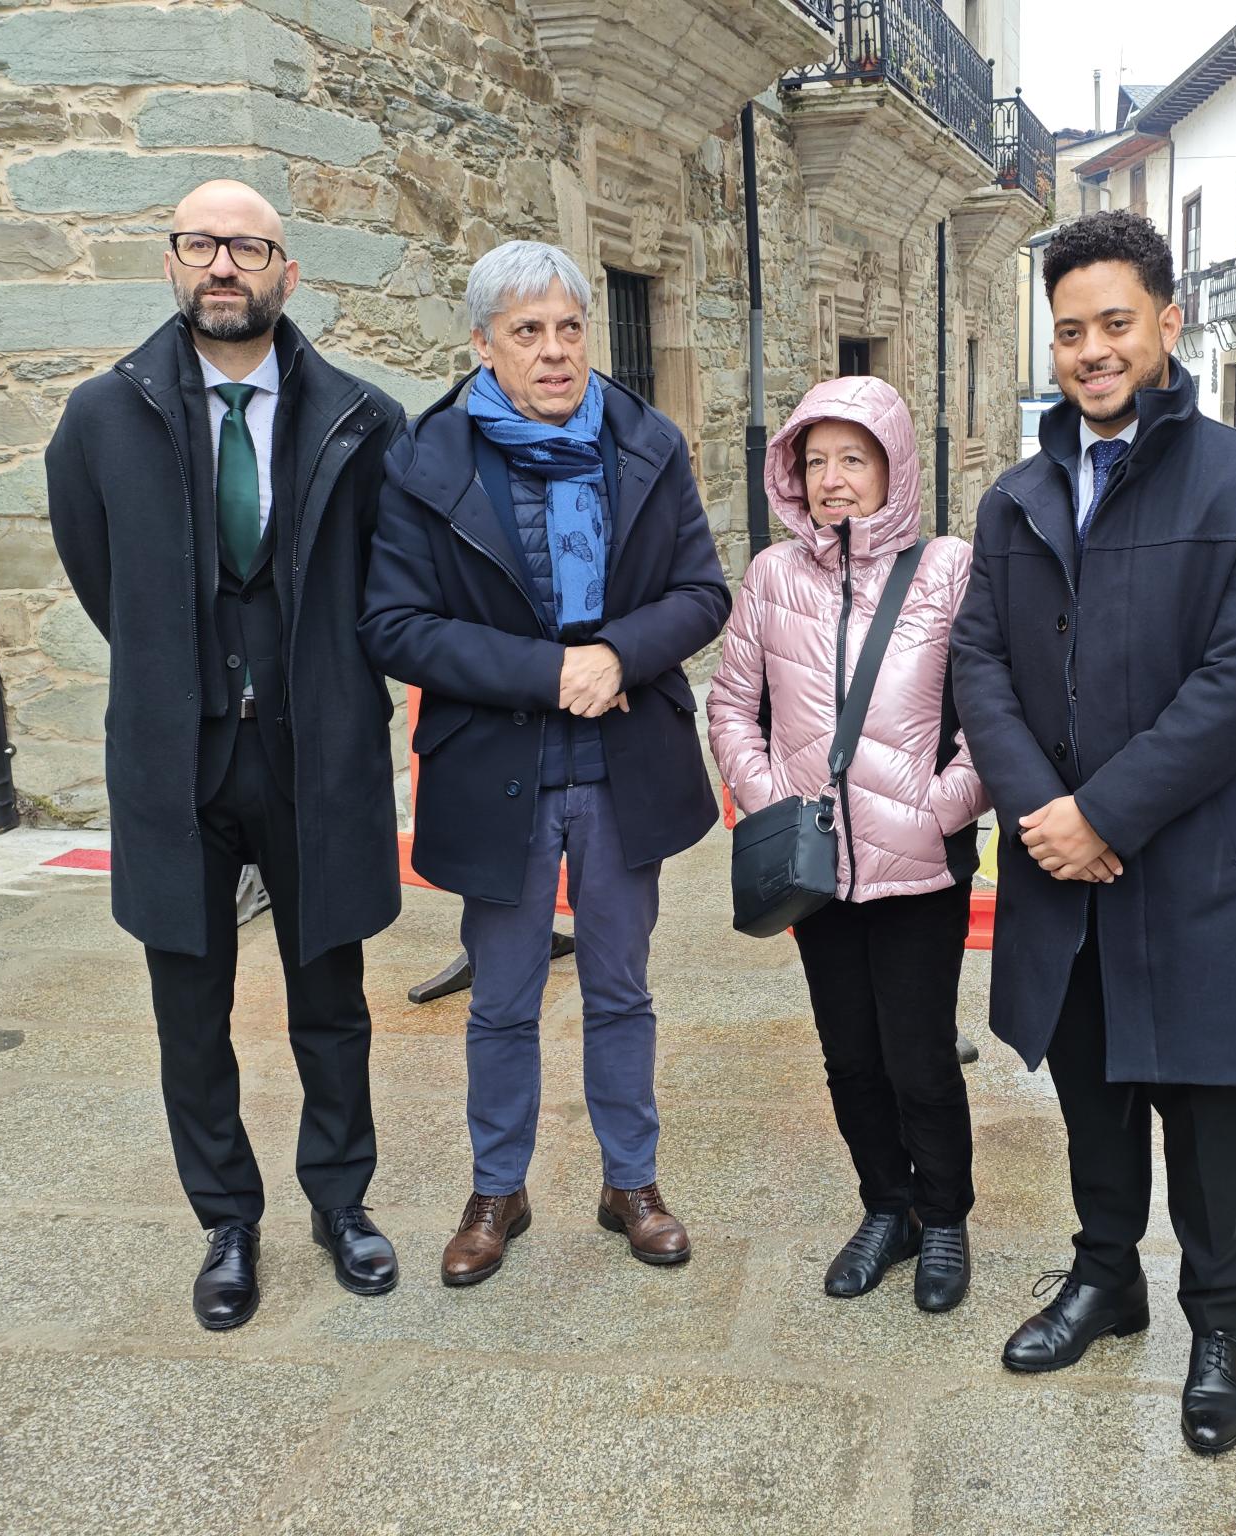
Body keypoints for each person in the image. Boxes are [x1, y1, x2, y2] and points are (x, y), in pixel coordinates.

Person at [951, 210, 1236, 1455]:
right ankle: (1104, 1277)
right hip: (1065, 865)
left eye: (1114, 323)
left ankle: (1219, 1325)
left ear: (1167, 322)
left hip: (1191, 861)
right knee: (1090, 1092)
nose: (1092, 350)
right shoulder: (1013, 500)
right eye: (1070, 331)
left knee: (1202, 1113)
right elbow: (978, 663)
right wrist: (1042, 817)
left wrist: (1102, 814)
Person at [45, 180, 407, 1331]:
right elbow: (101, 574)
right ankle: (225, 1219)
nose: (222, 266)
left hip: (317, 753)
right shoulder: (103, 418)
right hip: (175, 758)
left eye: (247, 247)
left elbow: (382, 582)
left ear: (285, 273)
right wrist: (182, 676)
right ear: (171, 261)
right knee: (188, 1006)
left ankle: (340, 1203)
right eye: (200, 243)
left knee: (329, 995)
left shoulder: (360, 418)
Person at [360, 240, 729, 1285]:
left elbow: (702, 593)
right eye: (528, 332)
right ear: (482, 345)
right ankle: (496, 1189)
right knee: (502, 995)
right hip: (496, 765)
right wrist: (545, 671)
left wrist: (618, 654)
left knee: (620, 985)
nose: (555, 351)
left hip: (624, 763)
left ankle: (631, 1180)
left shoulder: (647, 444)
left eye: (570, 328)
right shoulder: (427, 461)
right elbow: (392, 625)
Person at [707, 376, 988, 1313]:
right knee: (849, 1055)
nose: (833, 480)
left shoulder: (949, 568)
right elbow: (731, 706)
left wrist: (946, 804)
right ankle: (887, 1206)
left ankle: (943, 1216)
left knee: (918, 1053)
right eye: (815, 460)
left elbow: (993, 712)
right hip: (813, 867)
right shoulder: (772, 578)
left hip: (918, 866)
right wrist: (773, 800)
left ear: (893, 465)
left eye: (853, 460)